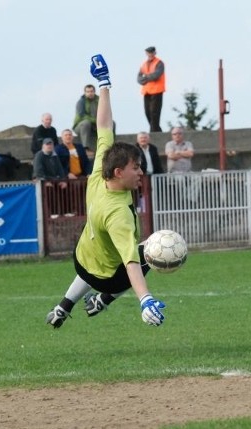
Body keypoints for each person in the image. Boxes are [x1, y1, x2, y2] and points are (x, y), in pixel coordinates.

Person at [46, 54, 166, 329]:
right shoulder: (119, 215)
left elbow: (103, 126)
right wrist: (145, 298)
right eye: (135, 167)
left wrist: (104, 83)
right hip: (105, 277)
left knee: (105, 256)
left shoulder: (101, 169)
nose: (140, 172)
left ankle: (63, 306)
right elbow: (131, 262)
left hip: (81, 257)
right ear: (118, 173)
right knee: (154, 250)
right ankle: (103, 300)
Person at [33, 137, 68, 218]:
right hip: (42, 180)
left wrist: (63, 180)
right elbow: (38, 171)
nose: (49, 146)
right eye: (47, 144)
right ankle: (53, 213)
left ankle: (66, 212)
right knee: (49, 190)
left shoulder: (55, 155)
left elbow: (60, 169)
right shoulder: (39, 155)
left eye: (51, 144)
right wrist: (45, 181)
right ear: (43, 146)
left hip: (55, 179)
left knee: (64, 188)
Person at [137, 46, 165, 132]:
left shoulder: (159, 63)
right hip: (146, 91)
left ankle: (153, 132)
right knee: (147, 113)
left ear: (155, 53)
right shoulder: (144, 64)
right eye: (149, 53)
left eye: (152, 52)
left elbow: (156, 75)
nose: (150, 54)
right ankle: (157, 131)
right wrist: (147, 78)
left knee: (154, 113)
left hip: (157, 91)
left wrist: (146, 77)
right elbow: (139, 78)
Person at [73, 84, 99, 149]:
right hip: (80, 127)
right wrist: (95, 121)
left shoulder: (99, 100)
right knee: (86, 123)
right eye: (88, 91)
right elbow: (82, 115)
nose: (90, 93)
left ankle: (112, 145)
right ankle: (85, 147)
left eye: (91, 91)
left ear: (94, 92)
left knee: (112, 123)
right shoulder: (81, 102)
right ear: (85, 93)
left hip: (96, 126)